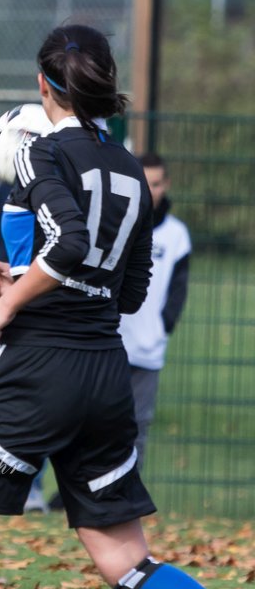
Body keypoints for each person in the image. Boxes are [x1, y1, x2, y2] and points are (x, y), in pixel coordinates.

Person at [0, 24, 254, 589]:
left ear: (43, 85)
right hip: (104, 371)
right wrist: (22, 278)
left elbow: (68, 244)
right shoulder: (131, 169)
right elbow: (126, 291)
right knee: (126, 560)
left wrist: (10, 302)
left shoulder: (44, 153)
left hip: (34, 367)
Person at [118, 153, 190, 469]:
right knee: (94, 422)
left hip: (148, 347)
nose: (151, 191)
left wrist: (163, 326)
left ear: (167, 184)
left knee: (137, 426)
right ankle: (81, 493)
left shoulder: (177, 235)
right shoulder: (117, 222)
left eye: (157, 184)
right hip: (109, 341)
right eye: (145, 184)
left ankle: (126, 494)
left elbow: (178, 290)